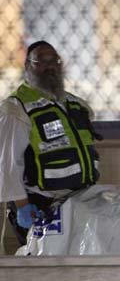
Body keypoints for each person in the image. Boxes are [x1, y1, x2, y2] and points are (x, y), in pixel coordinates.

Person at [0, 41, 101, 245]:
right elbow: (7, 163)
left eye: (54, 60)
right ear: (28, 66)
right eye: (41, 61)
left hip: (80, 203)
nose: (50, 66)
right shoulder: (17, 108)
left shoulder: (76, 105)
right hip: (39, 207)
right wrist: (22, 206)